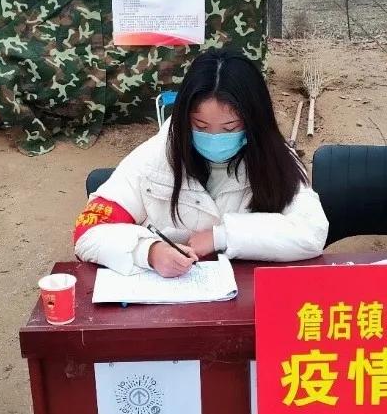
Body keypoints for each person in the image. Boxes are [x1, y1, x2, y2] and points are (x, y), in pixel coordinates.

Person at [73, 49, 328, 277]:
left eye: (230, 128)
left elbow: (312, 232)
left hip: (249, 299)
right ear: (184, 119)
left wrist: (222, 236)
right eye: (201, 127)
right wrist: (148, 251)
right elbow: (88, 231)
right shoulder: (153, 158)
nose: (215, 138)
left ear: (254, 122)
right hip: (172, 299)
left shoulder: (275, 158)